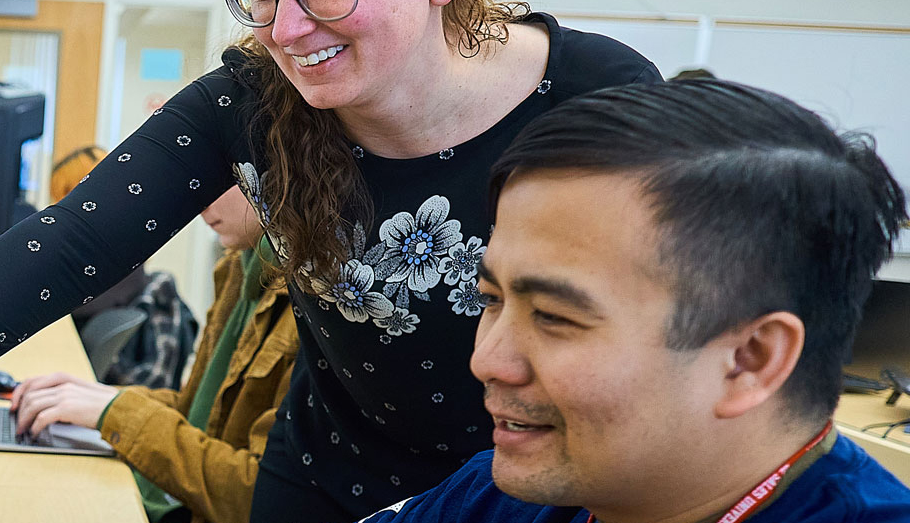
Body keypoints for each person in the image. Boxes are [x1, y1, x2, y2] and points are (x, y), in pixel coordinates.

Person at [0, 0, 660, 519]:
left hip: (528, 492)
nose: (285, 28)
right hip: (323, 478)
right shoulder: (248, 98)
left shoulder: (597, 97)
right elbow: (71, 239)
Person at [357, 79, 910, 522]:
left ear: (750, 359)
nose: (487, 361)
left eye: (553, 317)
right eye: (492, 298)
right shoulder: (505, 494)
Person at [9, 184, 300, 523]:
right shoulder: (241, 266)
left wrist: (114, 412)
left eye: (223, 178)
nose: (200, 200)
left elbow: (259, 499)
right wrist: (95, 398)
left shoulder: (311, 310)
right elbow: (197, 415)